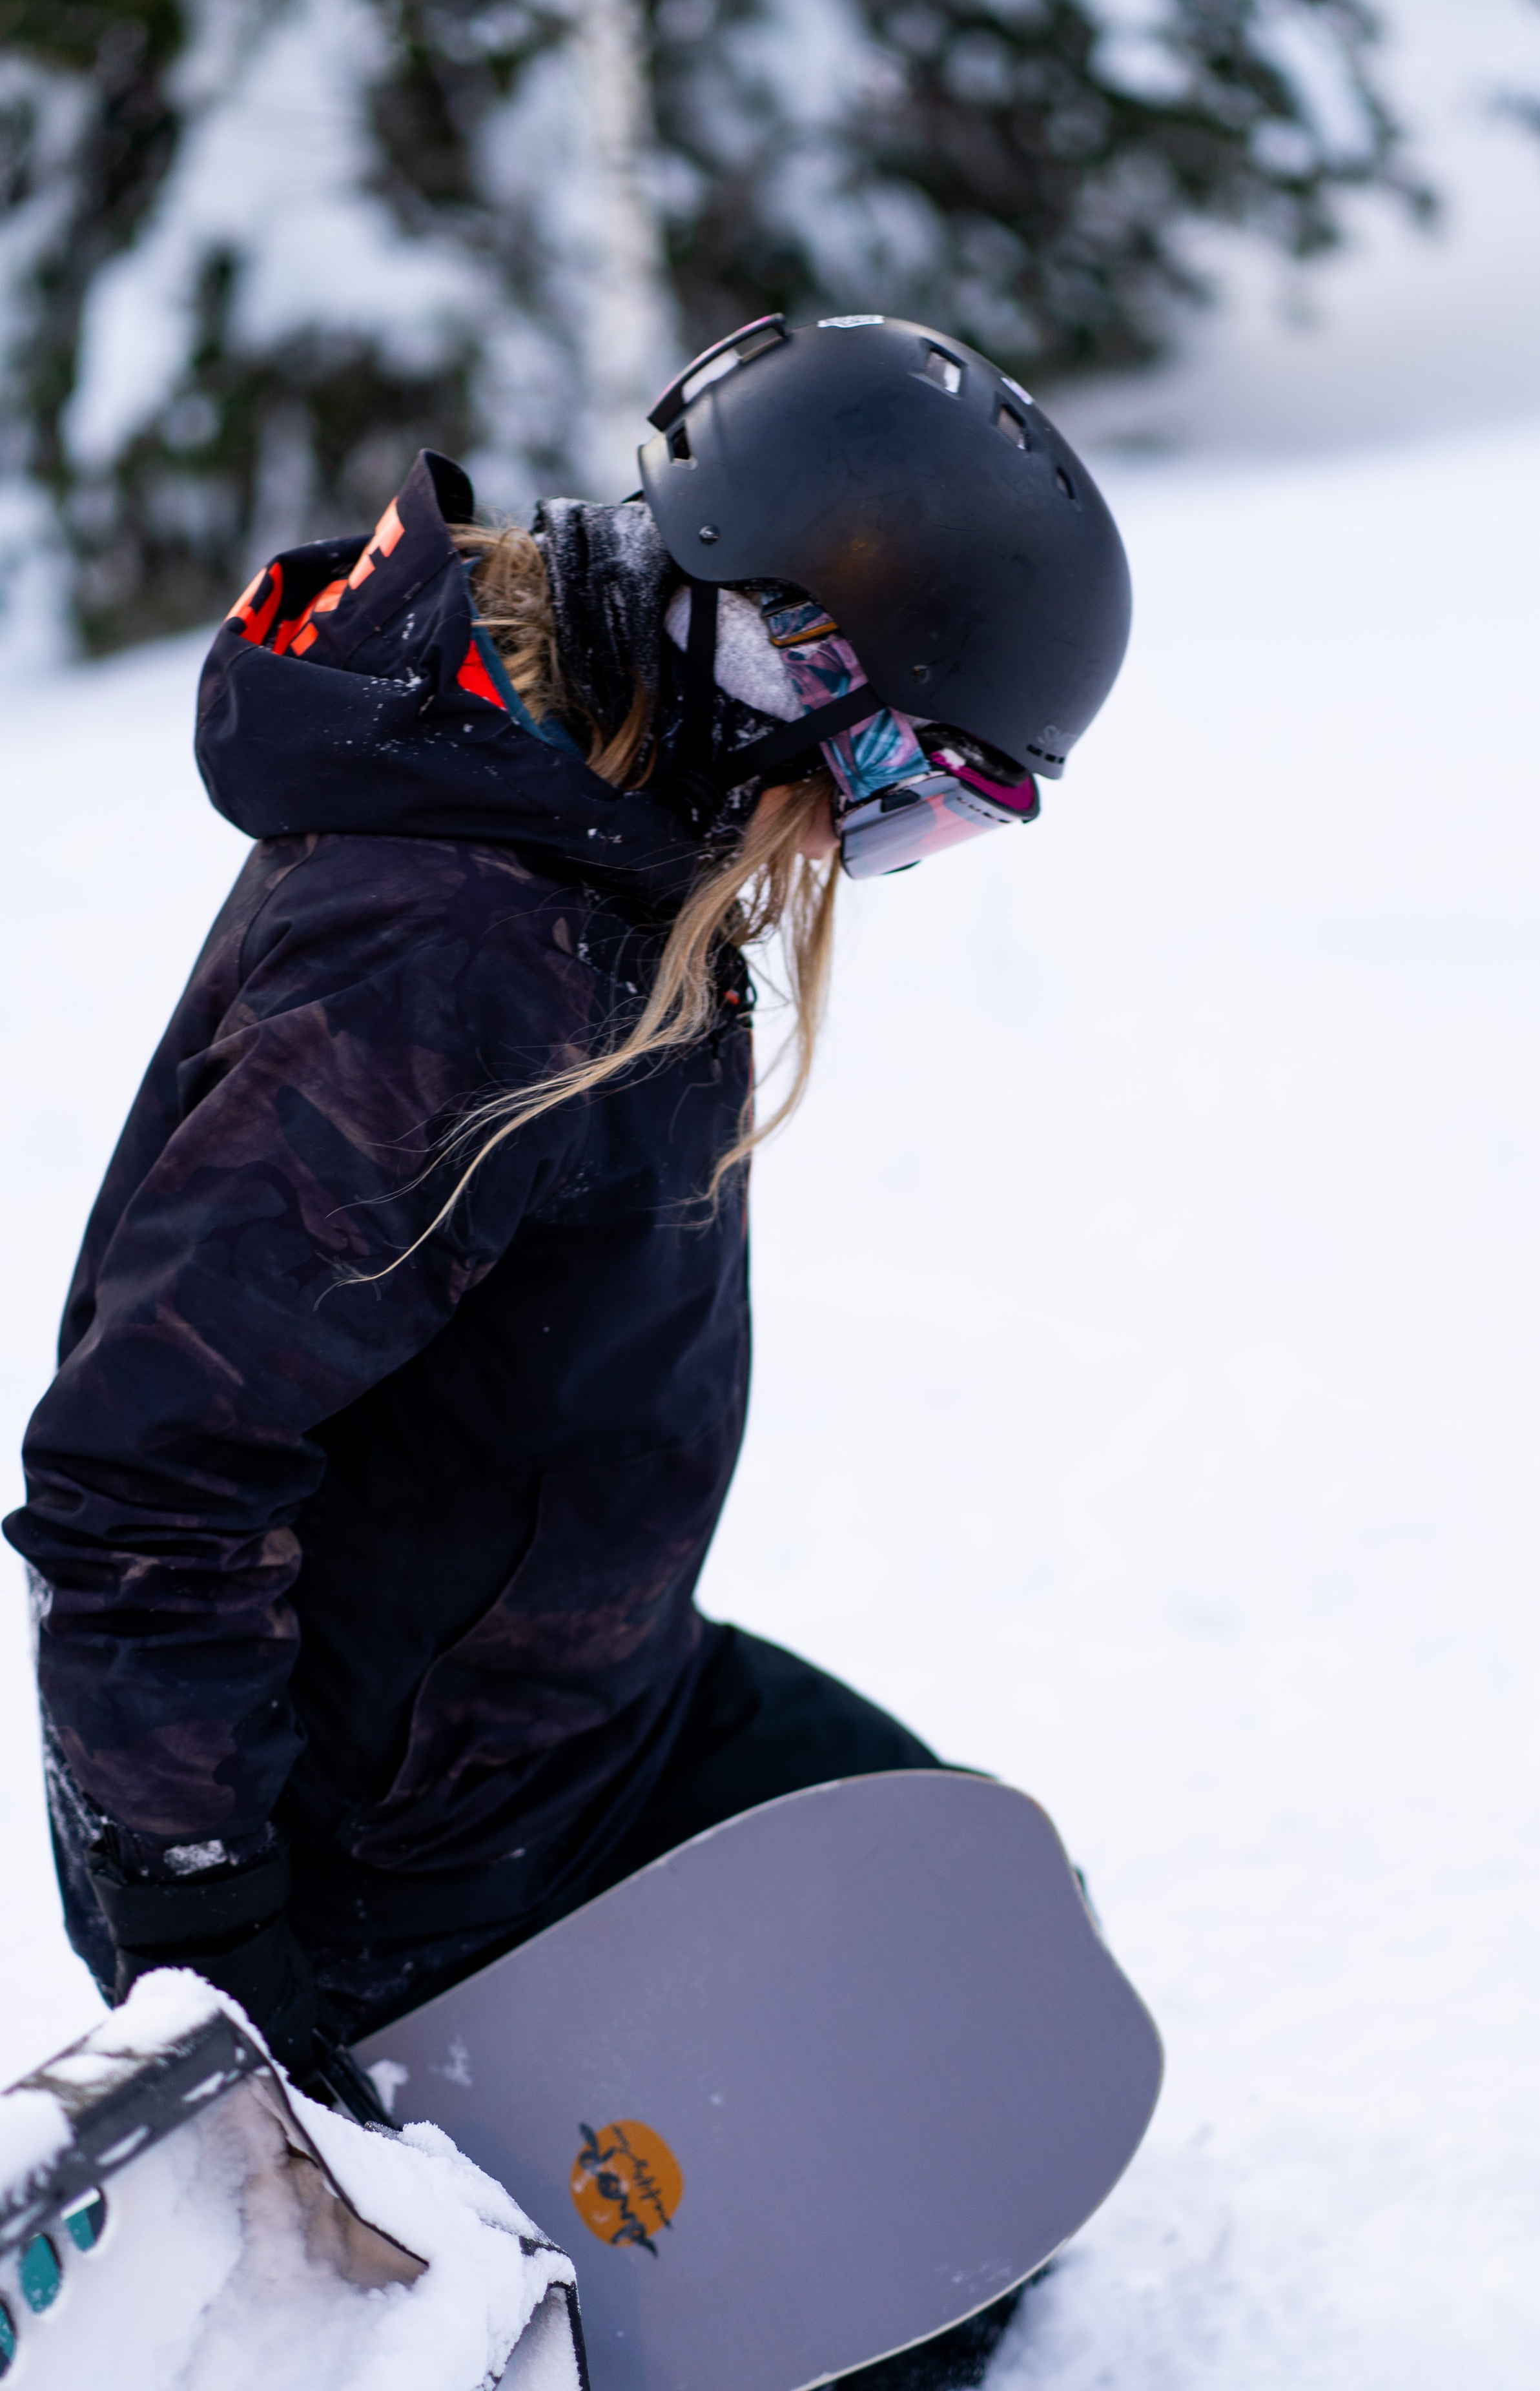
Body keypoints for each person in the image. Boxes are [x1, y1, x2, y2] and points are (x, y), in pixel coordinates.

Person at [6, 314, 1131, 2107]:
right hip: (388, 1853)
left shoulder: (608, 828)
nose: (860, 854)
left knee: (991, 1960)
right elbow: (147, 1474)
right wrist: (206, 1930)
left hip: (572, 1721)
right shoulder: (449, 957)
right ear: (777, 656)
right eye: (910, 795)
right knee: (931, 2130)